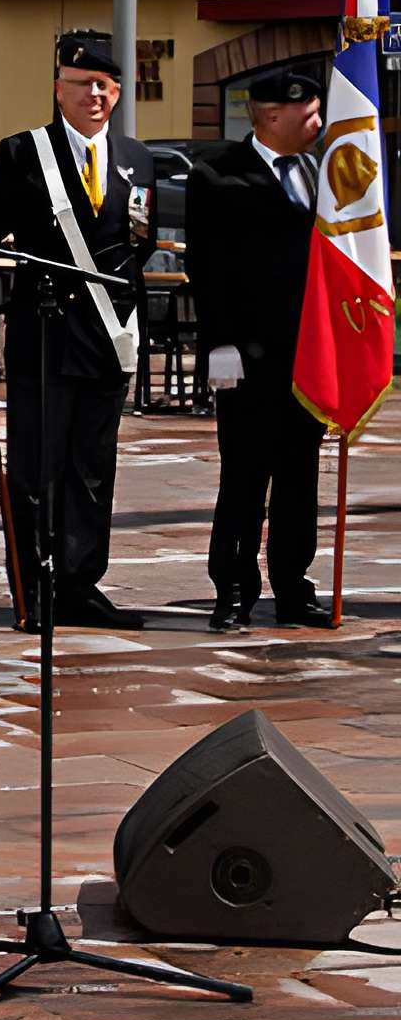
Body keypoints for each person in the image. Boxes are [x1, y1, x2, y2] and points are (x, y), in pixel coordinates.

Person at [0, 32, 155, 630]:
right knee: (37, 468)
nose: (95, 95)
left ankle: (81, 585)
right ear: (59, 89)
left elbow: (138, 243)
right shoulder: (26, 152)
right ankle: (36, 589)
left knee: (93, 468)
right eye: (82, 85)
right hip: (47, 329)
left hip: (109, 336)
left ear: (118, 91)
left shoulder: (136, 157)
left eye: (105, 85)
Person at [184, 67, 328, 631]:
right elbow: (207, 267)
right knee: (244, 477)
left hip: (306, 356)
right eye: (308, 114)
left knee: (300, 475)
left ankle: (293, 586)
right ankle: (235, 591)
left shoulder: (317, 173)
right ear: (271, 116)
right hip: (246, 354)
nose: (318, 124)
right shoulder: (217, 174)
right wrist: (220, 345)